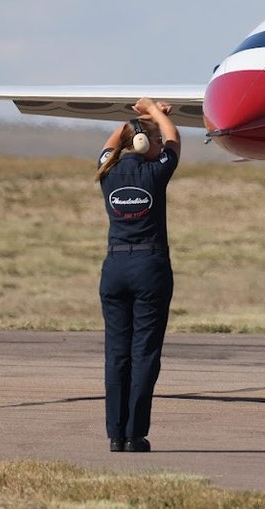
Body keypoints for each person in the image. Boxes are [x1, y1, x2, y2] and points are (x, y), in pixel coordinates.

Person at [95, 96, 181, 452]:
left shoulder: (107, 171)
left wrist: (137, 121)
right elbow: (174, 139)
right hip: (149, 268)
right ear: (146, 145)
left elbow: (112, 142)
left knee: (117, 354)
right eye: (153, 142)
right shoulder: (155, 172)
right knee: (144, 352)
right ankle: (135, 434)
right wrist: (156, 112)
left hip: (114, 269)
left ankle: (115, 434)